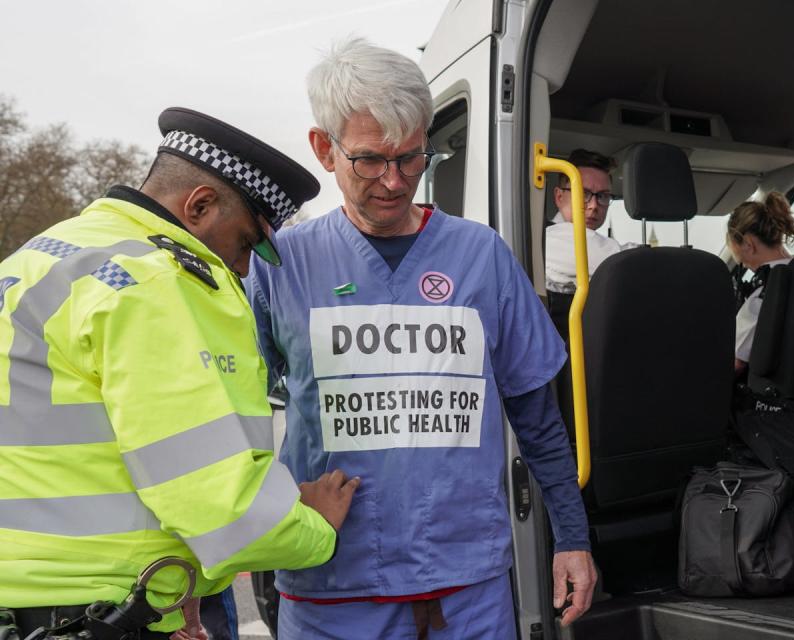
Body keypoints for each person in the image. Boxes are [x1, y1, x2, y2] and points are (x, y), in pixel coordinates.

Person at [245, 38, 596, 639]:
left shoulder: (480, 255)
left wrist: (572, 538)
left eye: (412, 158)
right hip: (333, 585)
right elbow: (236, 416)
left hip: (467, 586)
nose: (394, 181)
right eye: (370, 161)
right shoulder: (280, 265)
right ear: (323, 149)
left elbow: (536, 416)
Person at [0, 107, 360, 640]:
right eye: (246, 243)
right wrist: (315, 526)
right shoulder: (153, 283)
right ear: (200, 205)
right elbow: (216, 502)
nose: (242, 270)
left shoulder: (38, 258)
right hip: (99, 615)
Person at [726, 191, 794, 375]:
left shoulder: (766, 292)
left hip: (776, 399)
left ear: (748, 244)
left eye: (741, 262)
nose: (743, 266)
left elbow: (737, 362)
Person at [545, 148, 632, 296]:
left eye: (603, 195)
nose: (594, 205)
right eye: (583, 193)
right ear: (559, 197)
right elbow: (629, 264)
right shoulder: (553, 238)